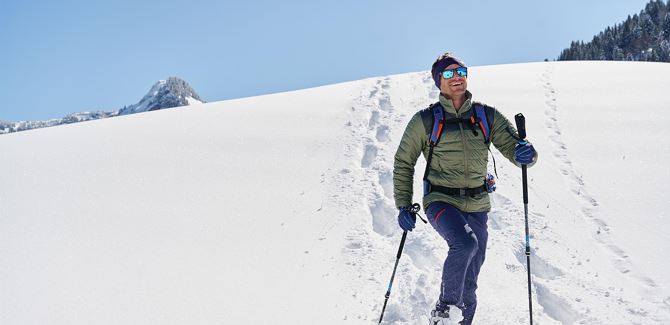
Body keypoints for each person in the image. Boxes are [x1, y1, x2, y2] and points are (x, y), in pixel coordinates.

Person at [393, 52, 538, 325]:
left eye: (461, 71)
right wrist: (403, 204)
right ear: (439, 81)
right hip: (440, 200)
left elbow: (514, 148)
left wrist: (527, 154)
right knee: (464, 243)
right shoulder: (425, 121)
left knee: (470, 282)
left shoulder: (486, 115)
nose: (456, 77)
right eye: (448, 73)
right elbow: (403, 163)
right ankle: (444, 311)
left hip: (478, 204)